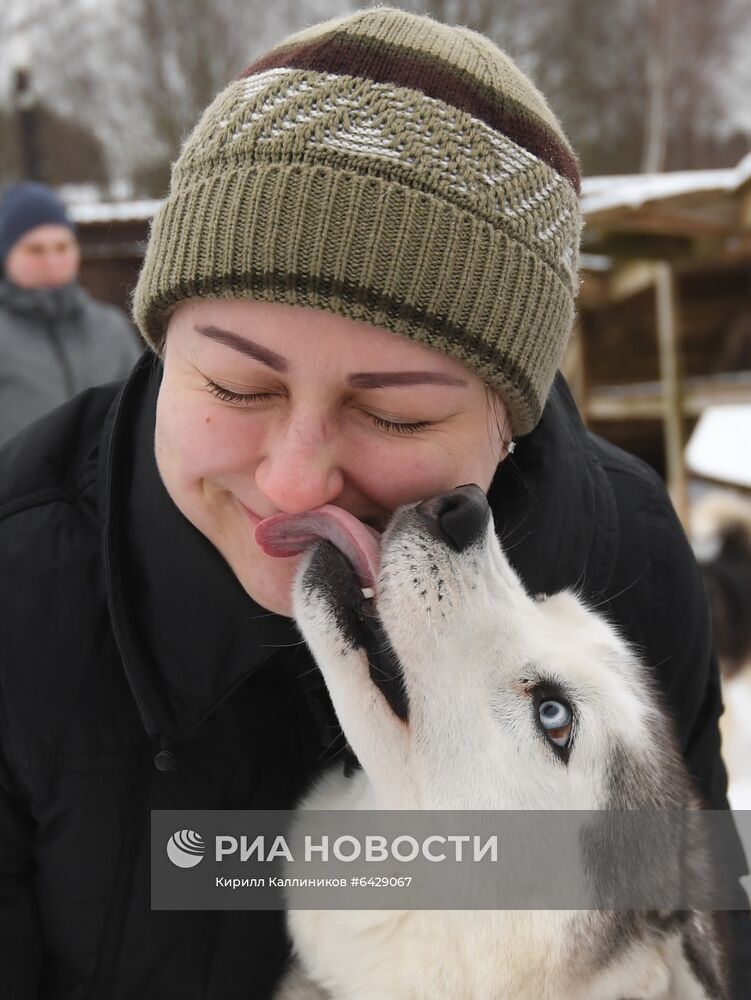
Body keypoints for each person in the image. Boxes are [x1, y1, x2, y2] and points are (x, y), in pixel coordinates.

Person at [0, 8, 747, 998]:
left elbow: (685, 943)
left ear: (506, 425)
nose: (297, 481)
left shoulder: (624, 566)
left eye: (394, 414)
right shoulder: (19, 590)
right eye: (236, 387)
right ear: (160, 348)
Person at [0, 181, 141, 445]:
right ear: (7, 255)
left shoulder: (111, 328)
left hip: (105, 485)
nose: (52, 262)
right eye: (35, 250)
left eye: (62, 247)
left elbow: (141, 415)